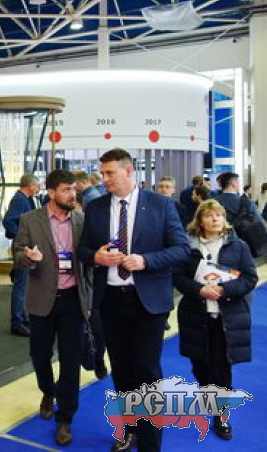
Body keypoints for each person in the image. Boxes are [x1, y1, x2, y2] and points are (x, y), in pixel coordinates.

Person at [78, 148, 189, 452]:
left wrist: (146, 260)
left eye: (110, 173)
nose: (104, 179)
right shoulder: (96, 207)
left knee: (147, 371)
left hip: (148, 302)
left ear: (128, 171)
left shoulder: (161, 205)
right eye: (102, 173)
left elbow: (181, 249)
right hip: (110, 301)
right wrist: (96, 257)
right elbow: (83, 250)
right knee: (121, 369)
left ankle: (150, 443)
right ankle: (129, 430)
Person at [14, 170, 91, 447]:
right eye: (66, 190)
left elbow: (89, 261)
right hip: (41, 298)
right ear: (51, 193)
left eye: (74, 189)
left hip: (73, 299)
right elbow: (17, 253)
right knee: (39, 354)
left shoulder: (82, 221)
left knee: (71, 360)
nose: (73, 194)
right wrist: (29, 257)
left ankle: (65, 419)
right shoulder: (30, 219)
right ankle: (48, 390)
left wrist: (90, 299)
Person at [173, 200, 257, 441]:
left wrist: (224, 289)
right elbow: (177, 277)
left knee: (221, 367)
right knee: (199, 364)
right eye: (209, 215)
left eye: (218, 215)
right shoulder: (188, 247)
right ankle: (207, 391)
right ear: (200, 220)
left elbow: (250, 278)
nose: (215, 219)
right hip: (195, 315)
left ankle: (221, 415)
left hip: (226, 318)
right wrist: (199, 289)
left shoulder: (238, 246)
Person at [2, 173, 40, 337]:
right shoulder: (20, 200)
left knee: (24, 284)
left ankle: (22, 318)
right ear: (30, 186)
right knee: (21, 284)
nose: (38, 188)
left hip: (25, 246)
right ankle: (17, 321)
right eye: (37, 185)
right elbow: (8, 221)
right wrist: (20, 237)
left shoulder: (24, 199)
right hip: (23, 247)